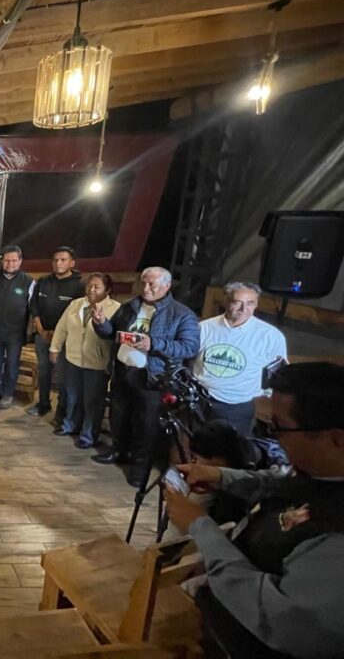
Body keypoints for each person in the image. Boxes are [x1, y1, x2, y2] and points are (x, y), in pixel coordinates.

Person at [164, 362, 344, 659]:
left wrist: (201, 528)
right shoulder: (319, 470)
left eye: (280, 427)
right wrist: (222, 476)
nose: (274, 437)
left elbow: (283, 624)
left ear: (336, 437)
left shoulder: (336, 540)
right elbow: (281, 482)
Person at [91, 266, 200, 485]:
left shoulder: (181, 314)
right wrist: (101, 322)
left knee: (146, 426)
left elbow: (189, 348)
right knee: (119, 417)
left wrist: (154, 344)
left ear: (167, 286)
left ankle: (140, 469)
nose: (146, 288)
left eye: (152, 284)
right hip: (123, 371)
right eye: (143, 283)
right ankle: (119, 451)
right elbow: (112, 333)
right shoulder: (130, 306)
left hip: (153, 378)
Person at [192, 282, 287, 435]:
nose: (244, 309)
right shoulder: (204, 328)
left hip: (238, 406)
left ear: (256, 304)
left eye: (250, 303)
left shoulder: (270, 336)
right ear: (226, 301)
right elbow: (187, 359)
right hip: (199, 400)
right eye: (237, 302)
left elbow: (278, 372)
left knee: (232, 447)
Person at [50, 272, 121, 448]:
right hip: (73, 359)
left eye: (97, 287)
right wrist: (55, 347)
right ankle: (70, 425)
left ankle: (88, 436)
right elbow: (62, 326)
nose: (91, 290)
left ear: (107, 290)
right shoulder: (76, 304)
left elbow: (115, 337)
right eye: (89, 286)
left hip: (97, 364)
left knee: (93, 402)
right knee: (72, 396)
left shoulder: (116, 308)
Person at [29, 247, 84, 424]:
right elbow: (34, 306)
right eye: (55, 260)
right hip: (43, 335)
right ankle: (43, 403)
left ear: (72, 263)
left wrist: (59, 335)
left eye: (63, 260)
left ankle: (62, 409)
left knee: (62, 376)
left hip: (65, 340)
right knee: (44, 372)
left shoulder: (79, 285)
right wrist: (41, 330)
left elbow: (78, 314)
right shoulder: (43, 281)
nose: (58, 263)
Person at [0, 246, 34, 410]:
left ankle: (7, 394)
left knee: (12, 364)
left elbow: (33, 309)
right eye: (7, 260)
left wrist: (30, 331)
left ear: (20, 261)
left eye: (14, 260)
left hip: (15, 334)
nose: (10, 263)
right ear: (2, 261)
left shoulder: (28, 281)